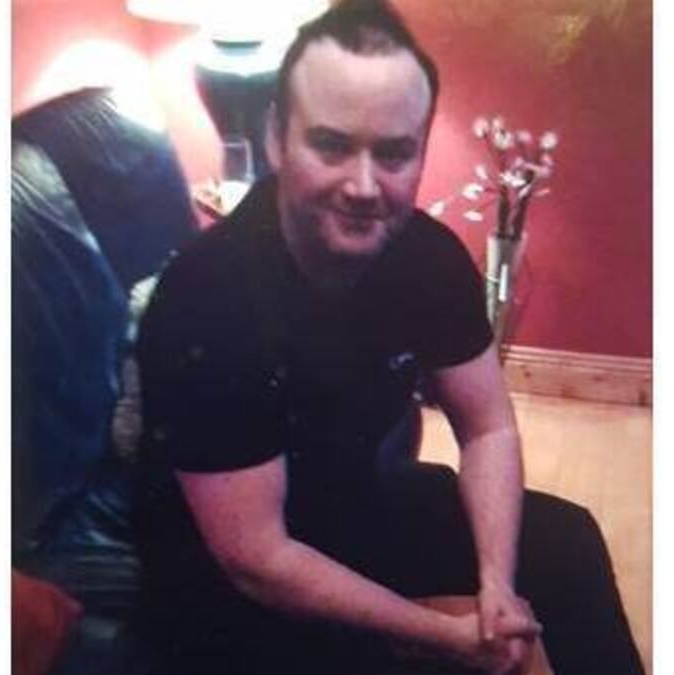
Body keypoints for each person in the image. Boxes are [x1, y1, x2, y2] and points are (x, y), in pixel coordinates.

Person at [129, 1, 645, 673]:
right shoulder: (207, 301)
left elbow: (487, 425)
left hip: (348, 507)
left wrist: (495, 584)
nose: (364, 186)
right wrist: (444, 635)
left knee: (564, 540)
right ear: (278, 138)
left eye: (395, 153)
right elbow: (256, 559)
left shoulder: (427, 257)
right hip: (220, 584)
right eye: (332, 146)